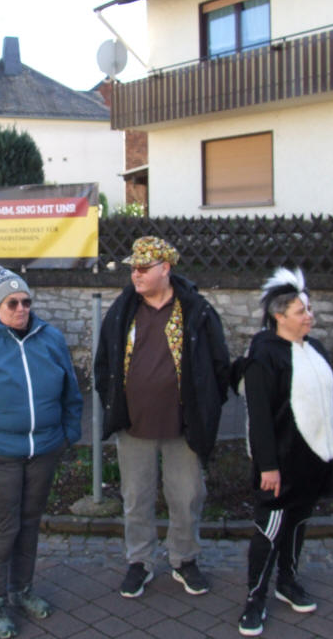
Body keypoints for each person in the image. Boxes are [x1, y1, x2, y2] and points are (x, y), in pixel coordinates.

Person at [95, 236, 230, 600]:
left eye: (143, 268)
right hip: (133, 425)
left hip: (183, 427)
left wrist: (206, 409)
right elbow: (103, 363)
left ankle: (184, 559)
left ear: (165, 269)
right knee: (136, 496)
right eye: (133, 268)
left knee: (187, 495)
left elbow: (219, 366)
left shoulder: (196, 311)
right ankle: (139, 561)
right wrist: (110, 401)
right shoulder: (123, 310)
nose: (135, 275)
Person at [0, 265, 82, 639]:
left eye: (26, 301)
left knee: (28, 526)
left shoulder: (50, 338)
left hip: (43, 451)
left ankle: (22, 589)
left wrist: (67, 435)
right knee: (0, 530)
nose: (22, 308)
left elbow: (71, 393)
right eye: (13, 303)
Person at [231, 269, 333, 637]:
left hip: (314, 460)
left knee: (298, 525)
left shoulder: (316, 348)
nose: (310, 316)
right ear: (279, 316)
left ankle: (288, 581)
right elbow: (259, 417)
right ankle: (254, 598)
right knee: (269, 531)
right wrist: (269, 466)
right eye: (300, 311)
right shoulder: (264, 356)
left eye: (309, 309)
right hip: (280, 464)